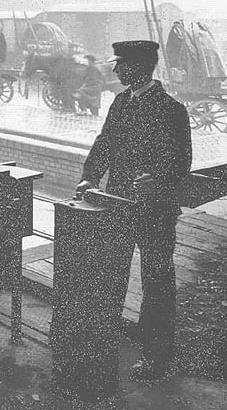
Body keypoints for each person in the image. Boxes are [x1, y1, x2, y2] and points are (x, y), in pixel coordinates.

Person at [75, 40, 192, 381]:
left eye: (121, 64)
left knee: (157, 283)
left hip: (156, 210)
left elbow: (181, 162)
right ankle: (105, 341)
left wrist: (158, 181)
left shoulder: (172, 110)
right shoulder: (120, 102)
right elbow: (105, 143)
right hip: (119, 205)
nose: (114, 70)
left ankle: (157, 358)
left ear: (139, 67)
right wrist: (88, 177)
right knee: (112, 275)